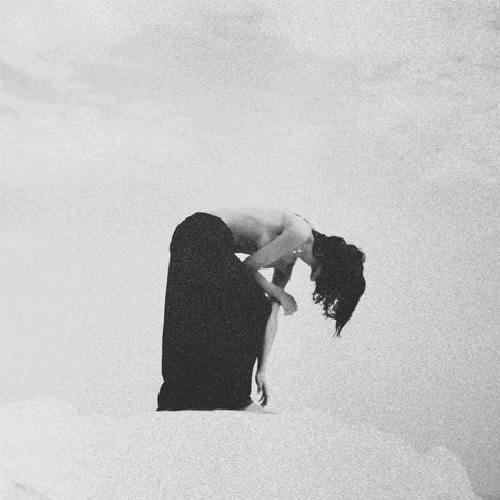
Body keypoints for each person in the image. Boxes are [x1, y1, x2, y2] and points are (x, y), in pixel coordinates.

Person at [156, 207, 366, 412]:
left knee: (199, 315)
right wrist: (279, 292)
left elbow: (271, 315)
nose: (317, 282)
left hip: (201, 242)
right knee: (248, 304)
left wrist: (262, 369)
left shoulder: (287, 264)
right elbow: (247, 268)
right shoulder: (299, 232)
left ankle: (185, 397)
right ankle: (235, 399)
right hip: (202, 230)